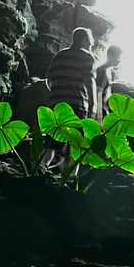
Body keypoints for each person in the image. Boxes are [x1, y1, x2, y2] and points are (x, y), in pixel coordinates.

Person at [43, 27, 97, 172]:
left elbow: (48, 81)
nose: (92, 44)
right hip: (77, 104)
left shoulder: (59, 55)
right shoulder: (87, 56)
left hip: (56, 105)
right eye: (91, 41)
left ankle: (39, 172)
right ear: (84, 40)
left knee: (50, 145)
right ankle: (69, 178)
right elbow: (89, 80)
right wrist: (93, 104)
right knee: (75, 145)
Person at [95, 45, 123, 120]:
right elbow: (98, 94)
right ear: (112, 56)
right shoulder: (101, 71)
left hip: (105, 108)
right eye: (118, 57)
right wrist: (99, 117)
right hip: (100, 110)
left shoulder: (109, 71)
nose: (119, 60)